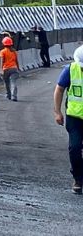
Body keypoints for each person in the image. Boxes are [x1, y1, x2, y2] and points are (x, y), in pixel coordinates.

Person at [53, 45, 83, 194]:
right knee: (75, 148)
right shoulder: (70, 70)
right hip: (75, 118)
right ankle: (78, 178)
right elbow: (59, 89)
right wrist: (58, 112)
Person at [0, 36, 19, 102]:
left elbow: (2, 61)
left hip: (6, 69)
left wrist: (1, 69)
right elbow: (16, 61)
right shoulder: (14, 51)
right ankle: (14, 96)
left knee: (7, 83)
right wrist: (18, 68)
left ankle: (9, 95)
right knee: (13, 82)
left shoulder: (3, 51)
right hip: (14, 68)